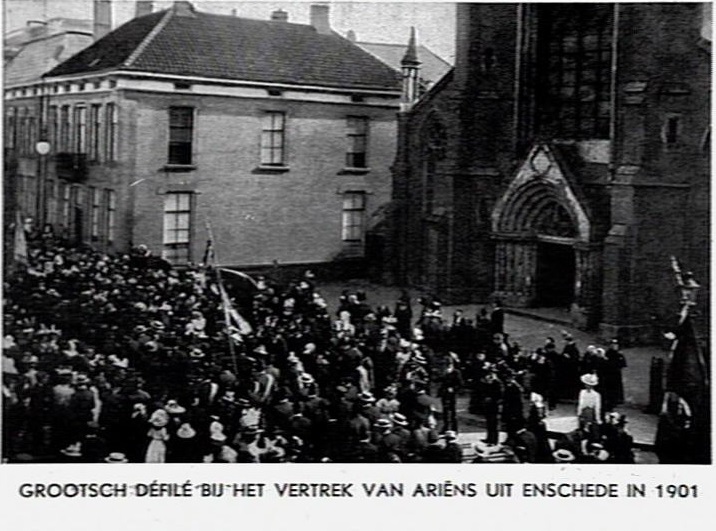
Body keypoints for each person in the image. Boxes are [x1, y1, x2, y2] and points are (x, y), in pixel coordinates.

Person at [438, 358, 462, 433]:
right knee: (445, 411)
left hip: (452, 395)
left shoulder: (456, 372)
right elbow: (440, 381)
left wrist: (453, 389)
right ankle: (446, 427)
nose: (448, 366)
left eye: (450, 364)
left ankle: (454, 428)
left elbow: (460, 383)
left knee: (452, 412)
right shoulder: (444, 372)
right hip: (444, 394)